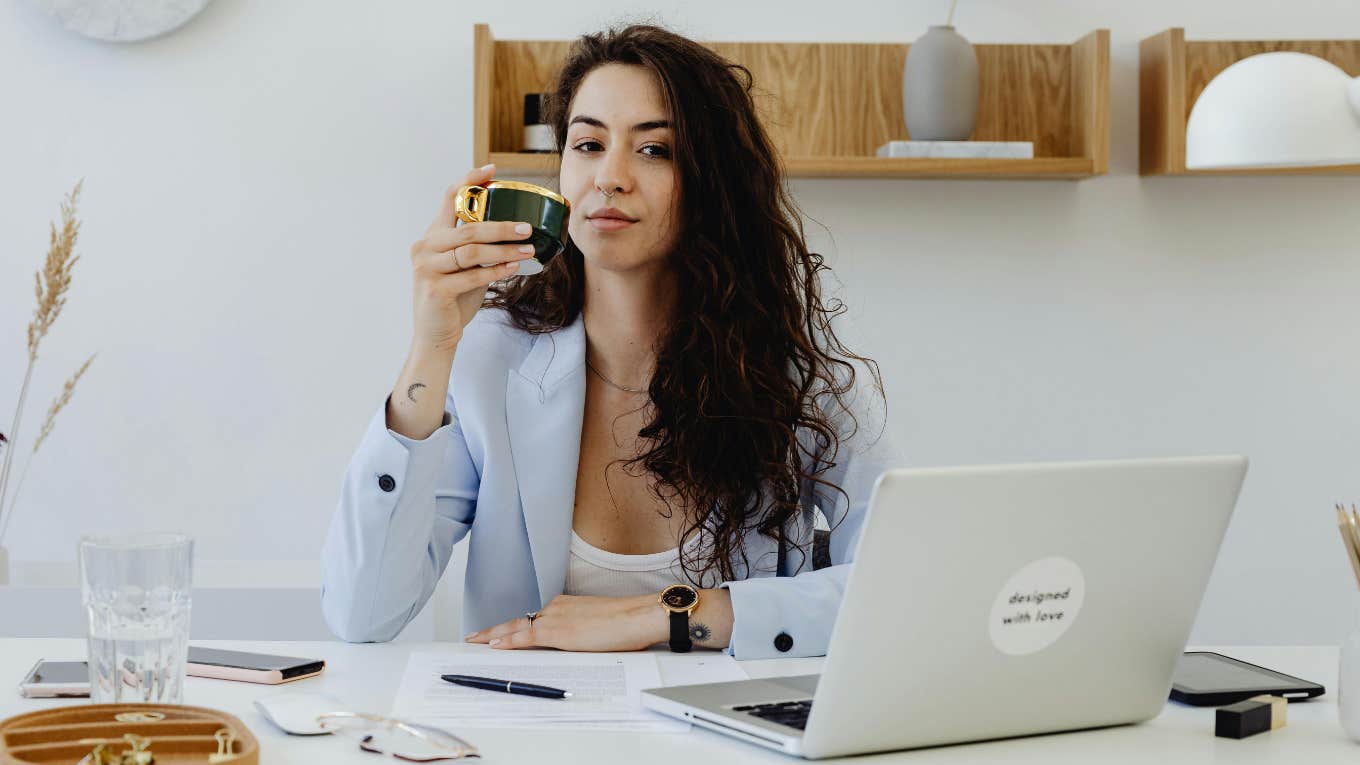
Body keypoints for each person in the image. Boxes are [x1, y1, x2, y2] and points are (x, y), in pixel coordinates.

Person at [321, 23, 903, 660]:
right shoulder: (492, 356)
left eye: (655, 150)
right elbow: (362, 613)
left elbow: (904, 585)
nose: (610, 177)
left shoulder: (795, 370)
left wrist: (667, 616)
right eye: (588, 143)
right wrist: (432, 347)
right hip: (526, 734)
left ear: (714, 183)